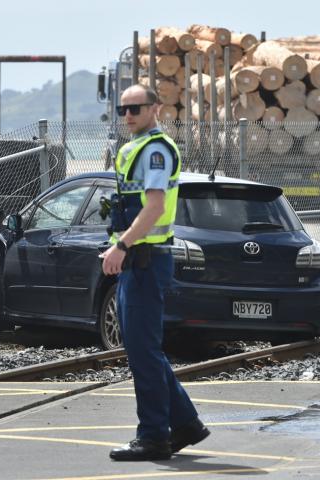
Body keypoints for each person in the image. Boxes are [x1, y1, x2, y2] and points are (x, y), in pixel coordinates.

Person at [102, 85, 210, 461]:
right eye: (123, 108)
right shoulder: (137, 148)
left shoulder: (155, 150)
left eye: (136, 108)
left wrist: (122, 245)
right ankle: (185, 424)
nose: (128, 114)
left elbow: (154, 207)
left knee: (143, 351)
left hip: (146, 259)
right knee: (142, 348)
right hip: (140, 261)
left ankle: (153, 437)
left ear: (155, 109)